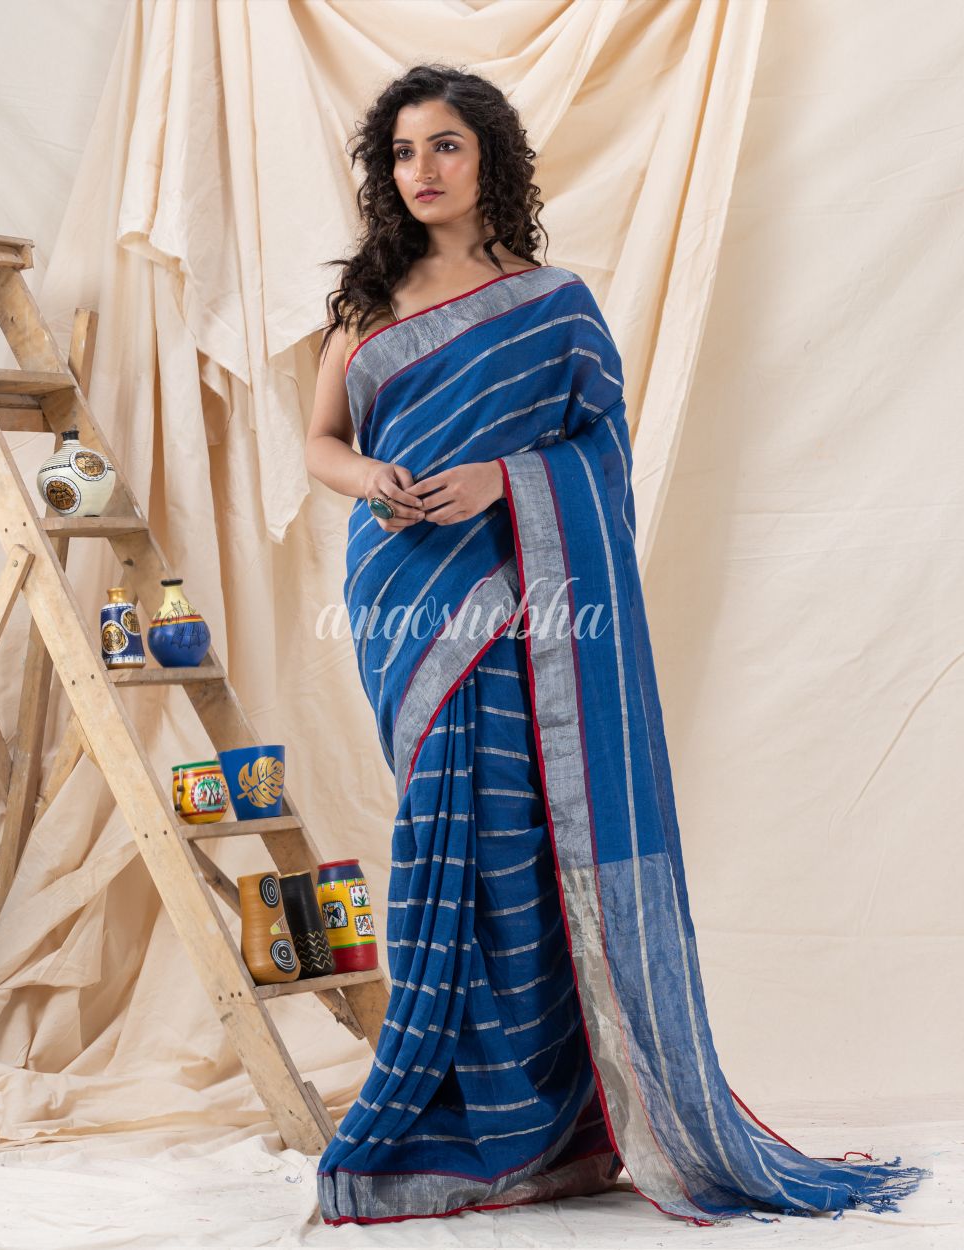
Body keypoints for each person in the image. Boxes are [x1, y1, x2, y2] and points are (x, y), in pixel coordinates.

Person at [305, 61, 930, 1229]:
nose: (421, 169)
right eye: (401, 151)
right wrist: (374, 477)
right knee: (440, 830)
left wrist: (502, 478)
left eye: (444, 145)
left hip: (521, 599)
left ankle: (549, 1122)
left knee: (518, 838)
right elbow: (321, 441)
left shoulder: (554, 305)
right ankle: (450, 1109)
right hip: (404, 596)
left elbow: (598, 456)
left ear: (488, 156)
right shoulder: (369, 303)